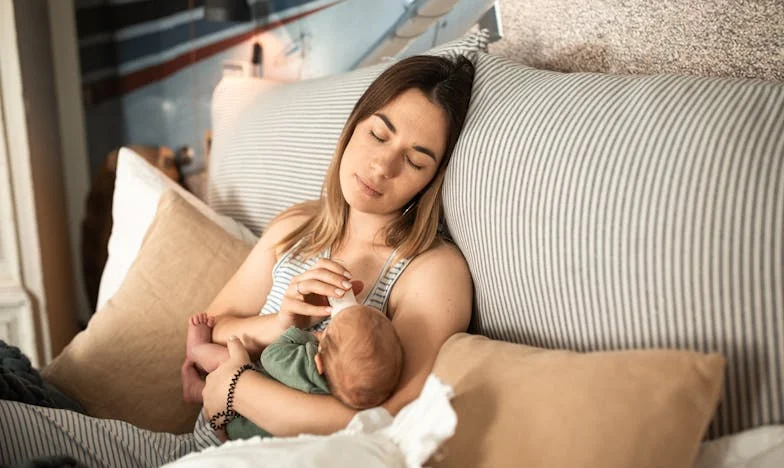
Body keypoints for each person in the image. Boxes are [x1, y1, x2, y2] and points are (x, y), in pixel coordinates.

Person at [0, 53, 475, 467]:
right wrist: (280, 320)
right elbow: (211, 328)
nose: (381, 167)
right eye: (378, 134)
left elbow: (379, 419)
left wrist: (232, 385)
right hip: (189, 449)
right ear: (353, 127)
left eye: (415, 161)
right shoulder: (296, 227)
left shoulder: (430, 270)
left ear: (431, 181)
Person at [182, 303, 404, 440]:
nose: (323, 331)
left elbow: (271, 356)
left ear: (319, 362)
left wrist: (304, 336)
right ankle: (195, 390)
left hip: (240, 422)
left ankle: (195, 351)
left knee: (230, 359)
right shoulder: (347, 393)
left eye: (327, 331)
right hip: (255, 435)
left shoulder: (306, 365)